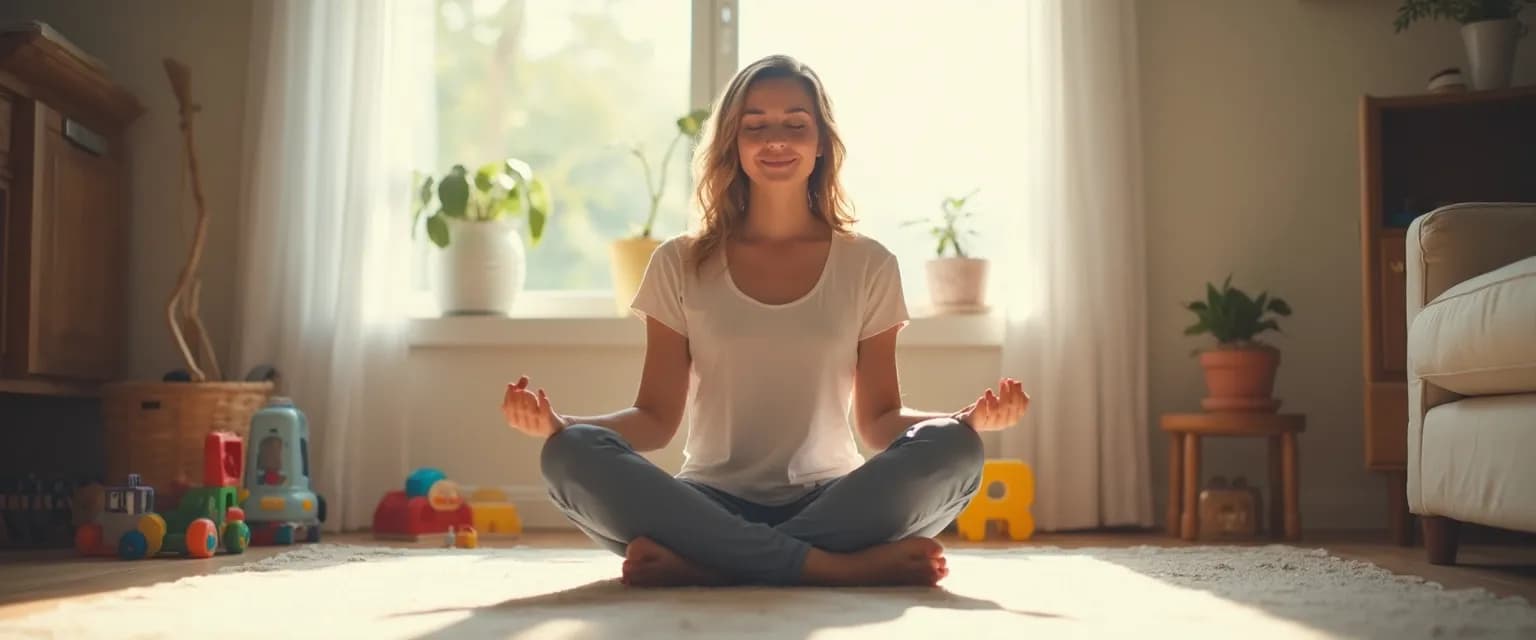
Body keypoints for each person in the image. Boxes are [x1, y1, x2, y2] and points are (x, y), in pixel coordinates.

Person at [500, 54, 1029, 588]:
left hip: (834, 501)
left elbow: (878, 421)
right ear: (733, 141)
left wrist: (962, 421)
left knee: (956, 448)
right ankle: (829, 568)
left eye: (795, 124)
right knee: (569, 455)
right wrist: (560, 426)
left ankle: (707, 564)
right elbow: (655, 418)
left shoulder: (868, 263)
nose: (776, 138)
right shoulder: (678, 262)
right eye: (756, 126)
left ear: (821, 142)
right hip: (706, 500)